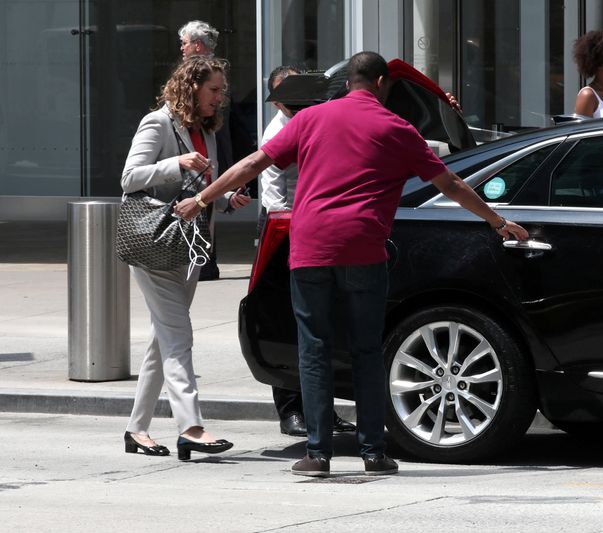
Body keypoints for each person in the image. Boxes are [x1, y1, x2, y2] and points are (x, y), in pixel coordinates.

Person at [175, 51, 528, 477]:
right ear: (381, 83)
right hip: (363, 250)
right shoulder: (397, 127)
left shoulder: (309, 119)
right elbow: (449, 182)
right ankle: (374, 453)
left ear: (348, 83)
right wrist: (497, 220)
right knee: (366, 349)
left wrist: (200, 199)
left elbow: (254, 163)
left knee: (315, 349)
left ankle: (319, 455)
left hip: (311, 249)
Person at [121, 56, 250, 461]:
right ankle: (190, 426)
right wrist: (174, 162)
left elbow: (202, 186)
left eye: (222, 90)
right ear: (191, 87)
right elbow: (129, 177)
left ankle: (137, 429)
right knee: (179, 336)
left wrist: (226, 198)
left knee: (163, 340)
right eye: (214, 89)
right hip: (154, 244)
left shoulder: (205, 129)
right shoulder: (158, 123)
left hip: (190, 247)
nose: (220, 97)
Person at [259, 65, 356, 437]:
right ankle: (290, 411)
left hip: (317, 226)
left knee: (321, 325)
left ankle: (322, 410)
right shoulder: (277, 131)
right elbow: (273, 197)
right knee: (286, 322)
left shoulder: (315, 119)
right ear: (277, 97)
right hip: (285, 229)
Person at [178, 20, 230, 281]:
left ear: (197, 45)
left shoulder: (208, 73)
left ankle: (205, 263)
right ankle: (203, 263)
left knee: (203, 196)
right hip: (197, 152)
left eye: (185, 43)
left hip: (205, 147)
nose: (182, 48)